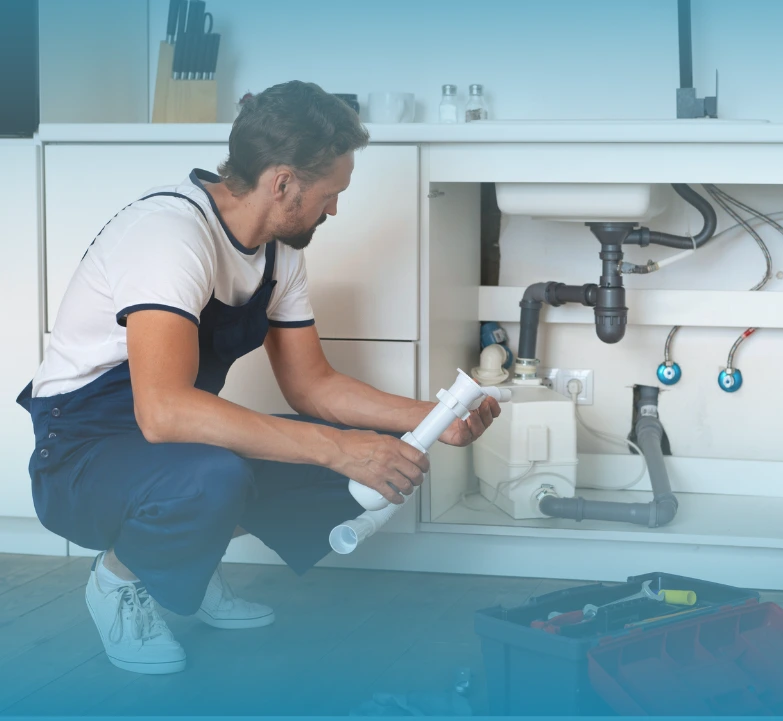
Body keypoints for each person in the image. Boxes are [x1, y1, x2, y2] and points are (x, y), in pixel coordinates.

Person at [15, 80, 500, 675]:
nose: (335, 208)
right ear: (282, 182)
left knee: (365, 467)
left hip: (174, 442)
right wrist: (338, 448)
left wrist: (432, 419)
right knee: (228, 474)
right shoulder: (171, 235)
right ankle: (119, 581)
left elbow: (313, 387)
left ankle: (189, 554)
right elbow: (163, 410)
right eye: (330, 193)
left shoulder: (280, 252)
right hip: (82, 453)